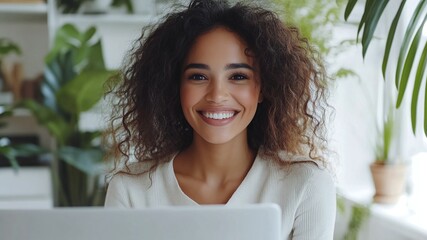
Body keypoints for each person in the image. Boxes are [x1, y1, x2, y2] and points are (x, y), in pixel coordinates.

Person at [104, 0, 336, 239]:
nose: (217, 95)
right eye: (198, 76)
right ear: (174, 88)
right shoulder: (130, 191)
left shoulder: (305, 186)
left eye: (237, 76)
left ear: (264, 87)